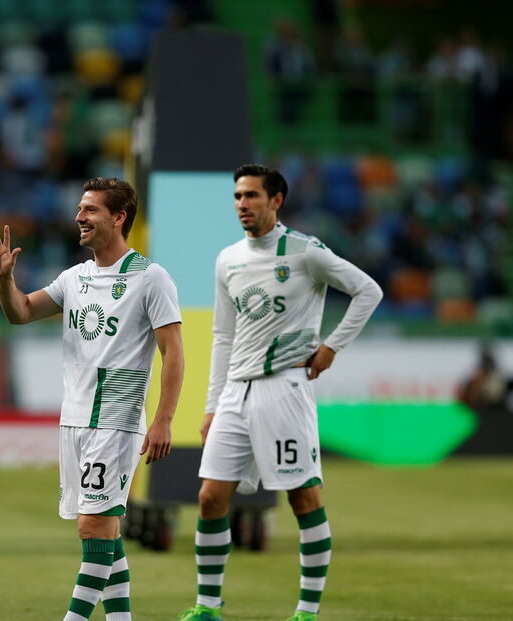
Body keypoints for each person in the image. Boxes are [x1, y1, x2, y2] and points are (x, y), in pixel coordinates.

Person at [178, 164, 383, 621]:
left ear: (276, 201)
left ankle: (307, 611)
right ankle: (208, 606)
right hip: (236, 392)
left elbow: (368, 291)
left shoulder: (306, 253)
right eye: (236, 197)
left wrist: (331, 347)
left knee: (303, 497)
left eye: (251, 196)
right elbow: (222, 337)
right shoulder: (227, 258)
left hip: (285, 389)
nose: (242, 205)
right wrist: (212, 405)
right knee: (211, 497)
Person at [0, 177, 184, 621]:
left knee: (93, 526)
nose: (79, 217)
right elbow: (20, 313)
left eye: (91, 209)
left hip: (117, 417)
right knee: (104, 536)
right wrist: (5, 279)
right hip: (73, 420)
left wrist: (165, 419)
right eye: (79, 208)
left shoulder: (150, 278)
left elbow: (173, 352)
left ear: (119, 217)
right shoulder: (74, 278)